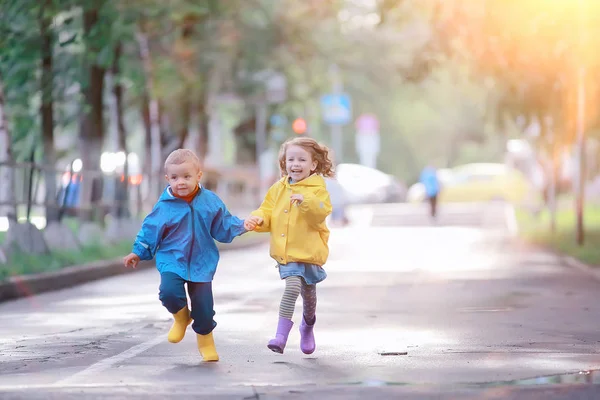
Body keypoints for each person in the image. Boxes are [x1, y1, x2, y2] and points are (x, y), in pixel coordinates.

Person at [123, 149, 250, 362]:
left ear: (199, 176)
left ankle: (206, 340)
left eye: (186, 176)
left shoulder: (210, 201)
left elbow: (223, 225)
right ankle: (181, 318)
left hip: (202, 262)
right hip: (171, 260)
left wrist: (243, 225)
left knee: (204, 308)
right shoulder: (164, 206)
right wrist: (138, 252)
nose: (180, 182)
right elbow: (149, 231)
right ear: (167, 179)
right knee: (168, 293)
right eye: (174, 177)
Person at [245, 137, 333, 355]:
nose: (295, 164)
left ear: (313, 165)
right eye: (290, 159)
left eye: (302, 160)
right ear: (284, 163)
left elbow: (321, 212)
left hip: (309, 253)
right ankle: (280, 336)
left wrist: (306, 201)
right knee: (292, 287)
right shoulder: (278, 188)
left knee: (309, 298)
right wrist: (257, 219)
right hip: (287, 253)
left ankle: (307, 326)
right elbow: (267, 210)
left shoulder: (317, 189)